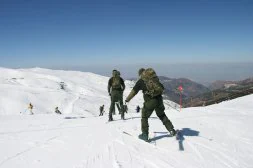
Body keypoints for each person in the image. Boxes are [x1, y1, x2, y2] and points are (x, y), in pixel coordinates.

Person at [125, 68, 176, 141]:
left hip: (150, 101)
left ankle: (144, 135)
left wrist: (127, 99)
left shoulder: (141, 81)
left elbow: (134, 92)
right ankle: (171, 130)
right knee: (161, 114)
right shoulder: (153, 78)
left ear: (140, 74)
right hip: (159, 99)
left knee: (144, 117)